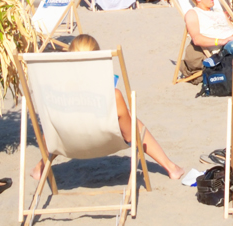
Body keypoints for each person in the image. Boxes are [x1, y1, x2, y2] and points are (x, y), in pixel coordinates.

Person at [32, 34, 186, 181]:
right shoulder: (113, 96)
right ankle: (171, 167)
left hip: (66, 141)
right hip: (102, 140)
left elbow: (50, 130)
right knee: (132, 120)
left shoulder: (54, 95)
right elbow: (129, 135)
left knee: (59, 129)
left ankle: (40, 167)